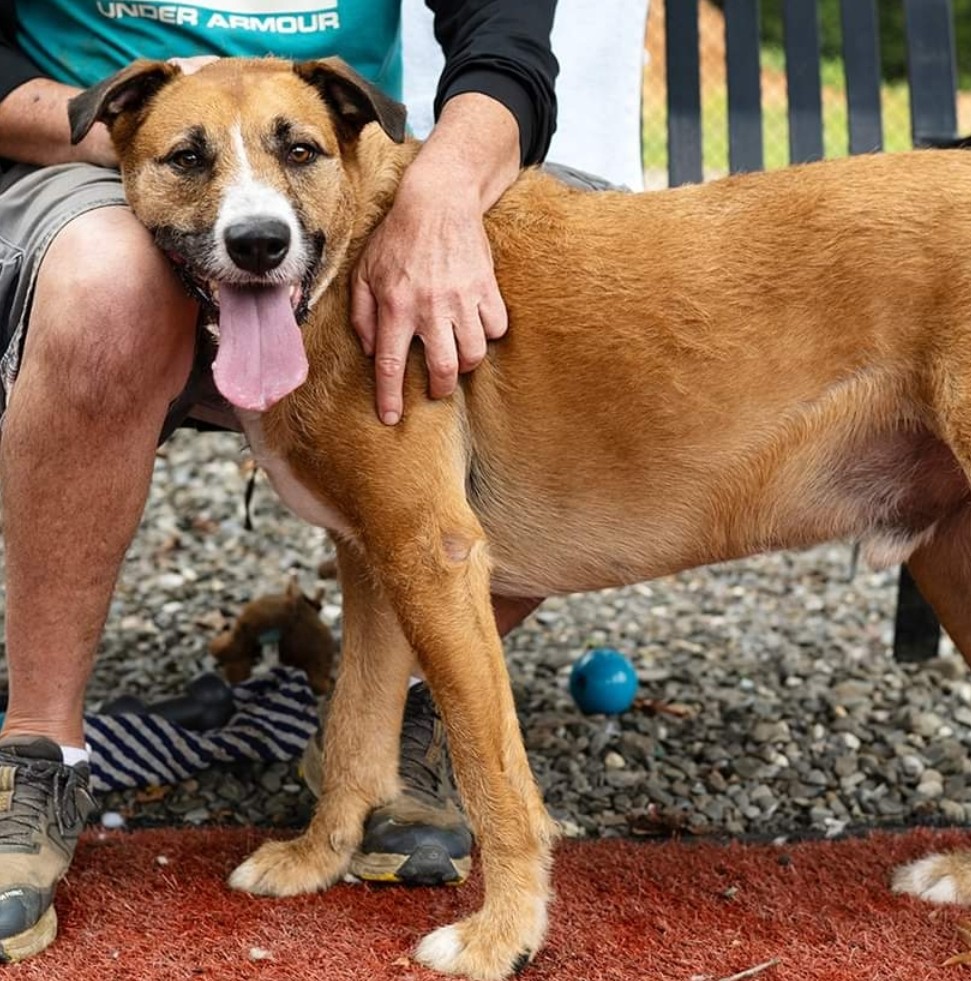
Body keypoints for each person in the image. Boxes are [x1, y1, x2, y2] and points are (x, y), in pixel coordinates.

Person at [0, 0, 557, 962]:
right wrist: (122, 129)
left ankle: (396, 719)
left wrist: (441, 192)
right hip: (82, 148)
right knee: (109, 287)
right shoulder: (123, 135)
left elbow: (505, 34)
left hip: (337, 149)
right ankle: (40, 749)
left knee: (548, 287)